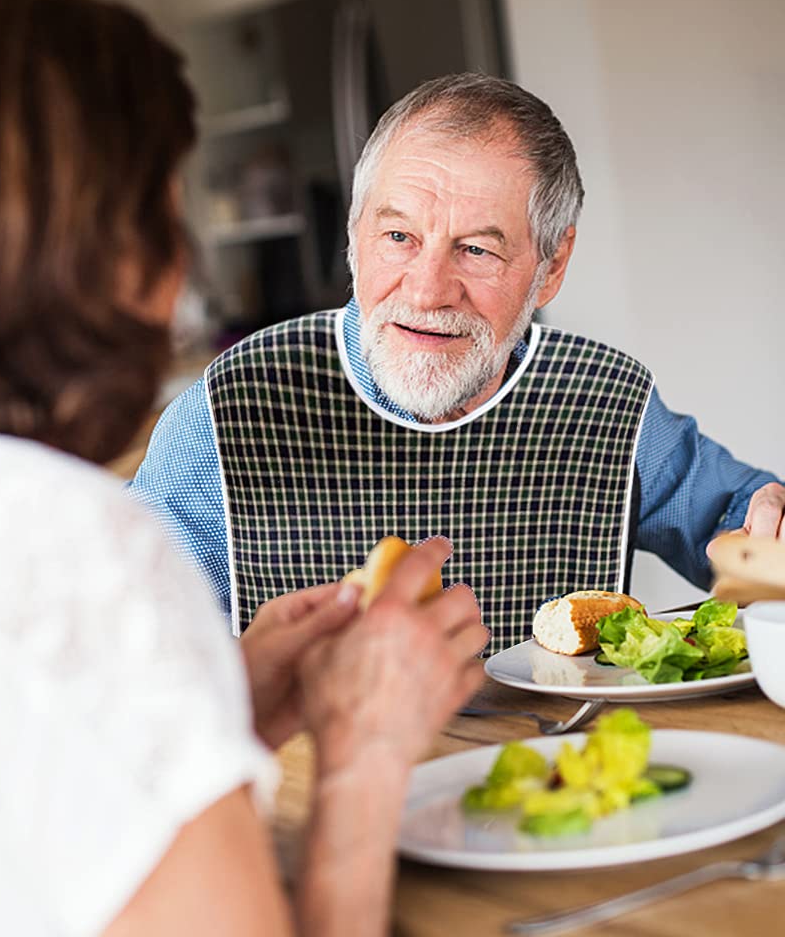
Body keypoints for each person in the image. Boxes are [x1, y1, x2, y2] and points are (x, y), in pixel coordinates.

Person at [0, 0, 487, 936]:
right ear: (91, 255)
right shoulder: (54, 538)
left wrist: (214, 710)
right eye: (159, 207)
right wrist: (363, 758)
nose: (179, 261)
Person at [131, 73, 785, 651]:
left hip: (562, 777)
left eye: (475, 250)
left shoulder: (606, 402)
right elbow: (130, 659)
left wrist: (770, 533)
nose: (425, 291)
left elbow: (748, 530)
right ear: (354, 238)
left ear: (551, 265)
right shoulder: (226, 413)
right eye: (398, 237)